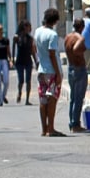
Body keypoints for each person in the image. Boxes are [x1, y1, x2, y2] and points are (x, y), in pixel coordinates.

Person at [34, 8, 65, 137]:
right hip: (51, 71)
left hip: (41, 70)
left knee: (43, 100)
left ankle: (44, 129)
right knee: (52, 100)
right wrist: (58, 73)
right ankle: (51, 128)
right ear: (55, 21)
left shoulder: (37, 31)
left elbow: (35, 47)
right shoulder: (52, 35)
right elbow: (52, 54)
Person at [64, 19, 88, 132]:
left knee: (73, 98)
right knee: (78, 98)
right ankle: (75, 124)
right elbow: (75, 49)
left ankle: (72, 122)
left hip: (71, 68)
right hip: (79, 68)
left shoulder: (67, 37)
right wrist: (80, 50)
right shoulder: (79, 38)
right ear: (82, 27)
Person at [12, 21, 38, 104]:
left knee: (28, 81)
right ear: (24, 27)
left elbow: (32, 51)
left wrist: (36, 61)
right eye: (28, 27)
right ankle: (19, 92)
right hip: (19, 61)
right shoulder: (17, 37)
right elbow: (13, 48)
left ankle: (27, 99)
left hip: (28, 61)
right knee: (21, 80)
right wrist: (12, 59)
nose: (30, 29)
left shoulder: (30, 38)